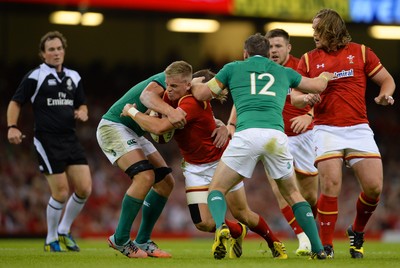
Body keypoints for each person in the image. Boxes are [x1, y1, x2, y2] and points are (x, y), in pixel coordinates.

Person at [191, 33, 336, 260]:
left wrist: (194, 83)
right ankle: (318, 249)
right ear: (268, 53)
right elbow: (316, 86)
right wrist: (325, 77)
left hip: (246, 134)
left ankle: (221, 228)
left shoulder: (232, 68)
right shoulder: (284, 72)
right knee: (294, 194)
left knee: (217, 189)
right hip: (276, 136)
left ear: (245, 53)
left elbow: (202, 94)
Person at [121, 69, 288, 260]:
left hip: (222, 162)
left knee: (242, 212)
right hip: (195, 168)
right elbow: (157, 114)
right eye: (168, 85)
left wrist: (131, 111)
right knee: (202, 223)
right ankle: (235, 230)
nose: (169, 89)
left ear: (188, 85)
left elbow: (160, 128)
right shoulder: (171, 98)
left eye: (174, 86)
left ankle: (274, 241)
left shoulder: (190, 102)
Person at [291, 8, 396, 259]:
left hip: (358, 127)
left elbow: (387, 80)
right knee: (331, 184)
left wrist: (385, 94)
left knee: (374, 188)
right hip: (326, 128)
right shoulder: (307, 59)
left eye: (317, 29)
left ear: (330, 29)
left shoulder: (360, 52)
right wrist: (306, 97)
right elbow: (294, 96)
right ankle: (326, 246)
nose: (313, 34)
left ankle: (356, 231)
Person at [6, 31, 92, 252]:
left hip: (70, 139)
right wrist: (12, 127)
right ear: (43, 54)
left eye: (59, 48)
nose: (56, 52)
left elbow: (82, 104)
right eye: (51, 49)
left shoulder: (74, 77)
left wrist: (82, 112)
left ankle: (64, 230)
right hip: (47, 140)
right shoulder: (36, 76)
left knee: (84, 188)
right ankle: (51, 238)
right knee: (61, 192)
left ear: (64, 50)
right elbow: (16, 103)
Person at [96, 61, 188, 258]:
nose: (170, 89)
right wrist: (170, 112)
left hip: (133, 131)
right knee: (145, 177)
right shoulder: (165, 81)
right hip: (114, 125)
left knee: (165, 183)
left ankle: (143, 240)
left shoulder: (186, 92)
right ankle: (119, 239)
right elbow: (148, 99)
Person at [265, 28, 319, 256]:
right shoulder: (262, 71)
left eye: (278, 46)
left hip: (305, 136)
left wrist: (309, 115)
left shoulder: (302, 66)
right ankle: (303, 238)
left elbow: (325, 95)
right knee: (281, 190)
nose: (274, 51)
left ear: (288, 48)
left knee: (309, 197)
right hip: (275, 136)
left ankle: (311, 230)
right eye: (270, 46)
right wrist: (231, 124)